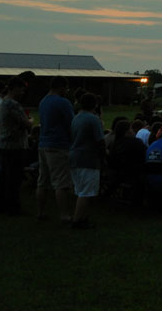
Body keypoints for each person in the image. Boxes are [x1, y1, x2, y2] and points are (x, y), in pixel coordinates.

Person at [35, 76, 74, 223]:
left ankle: (40, 212)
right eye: (66, 88)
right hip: (58, 145)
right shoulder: (63, 102)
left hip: (43, 144)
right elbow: (72, 123)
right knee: (61, 182)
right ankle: (64, 215)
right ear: (62, 87)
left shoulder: (43, 101)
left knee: (42, 181)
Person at [0, 76, 33, 214]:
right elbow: (26, 124)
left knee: (4, 177)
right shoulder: (12, 104)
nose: (23, 92)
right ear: (13, 88)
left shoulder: (4, 102)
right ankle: (13, 207)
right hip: (15, 146)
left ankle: (1, 205)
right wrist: (31, 120)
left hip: (4, 144)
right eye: (21, 89)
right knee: (14, 179)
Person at [69, 92, 106, 228]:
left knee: (80, 190)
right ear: (95, 104)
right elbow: (100, 140)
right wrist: (104, 156)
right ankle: (77, 220)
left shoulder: (76, 118)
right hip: (88, 158)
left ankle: (82, 217)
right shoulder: (93, 119)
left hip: (74, 156)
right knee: (86, 192)